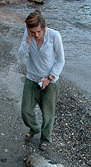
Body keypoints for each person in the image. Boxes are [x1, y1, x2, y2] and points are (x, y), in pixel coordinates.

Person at [18, 10, 65, 151]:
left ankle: (45, 139)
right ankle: (35, 128)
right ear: (28, 29)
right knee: (25, 111)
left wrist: (50, 78)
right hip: (31, 78)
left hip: (49, 80)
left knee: (48, 113)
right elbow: (19, 56)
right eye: (33, 32)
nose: (36, 35)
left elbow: (61, 60)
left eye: (38, 31)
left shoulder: (54, 35)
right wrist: (28, 41)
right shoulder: (29, 35)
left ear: (44, 27)